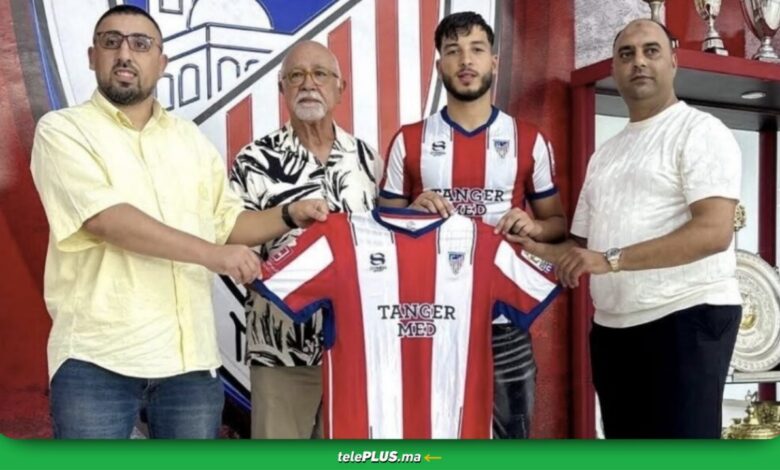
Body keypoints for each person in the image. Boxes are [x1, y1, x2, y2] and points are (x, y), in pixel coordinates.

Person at [29, 5, 327, 439]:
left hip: (190, 367)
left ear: (162, 61)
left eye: (140, 44)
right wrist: (213, 255)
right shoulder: (62, 130)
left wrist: (287, 214)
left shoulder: (189, 139)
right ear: (93, 57)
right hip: (98, 363)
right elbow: (105, 219)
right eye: (112, 42)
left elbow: (227, 224)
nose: (125, 54)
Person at [515, 19, 742, 438]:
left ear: (673, 62)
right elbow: (580, 250)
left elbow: (714, 232)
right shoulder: (606, 155)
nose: (639, 61)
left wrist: (611, 260)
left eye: (651, 51)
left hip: (686, 319)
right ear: (614, 69)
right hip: (614, 331)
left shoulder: (701, 131)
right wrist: (526, 240)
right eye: (627, 54)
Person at [379, 11, 566, 439]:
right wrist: (410, 211)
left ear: (494, 61)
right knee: (426, 438)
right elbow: (380, 233)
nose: (466, 60)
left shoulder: (529, 139)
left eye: (477, 49)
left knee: (510, 443)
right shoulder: (409, 140)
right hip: (428, 318)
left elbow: (557, 224)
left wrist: (534, 227)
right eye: (454, 51)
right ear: (439, 64)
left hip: (504, 323)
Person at [229, 40, 382, 439]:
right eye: (296, 75)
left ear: (340, 88)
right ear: (282, 88)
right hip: (280, 350)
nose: (308, 83)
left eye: (320, 74)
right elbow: (231, 235)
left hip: (355, 350)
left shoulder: (368, 161)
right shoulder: (253, 160)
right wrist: (287, 221)